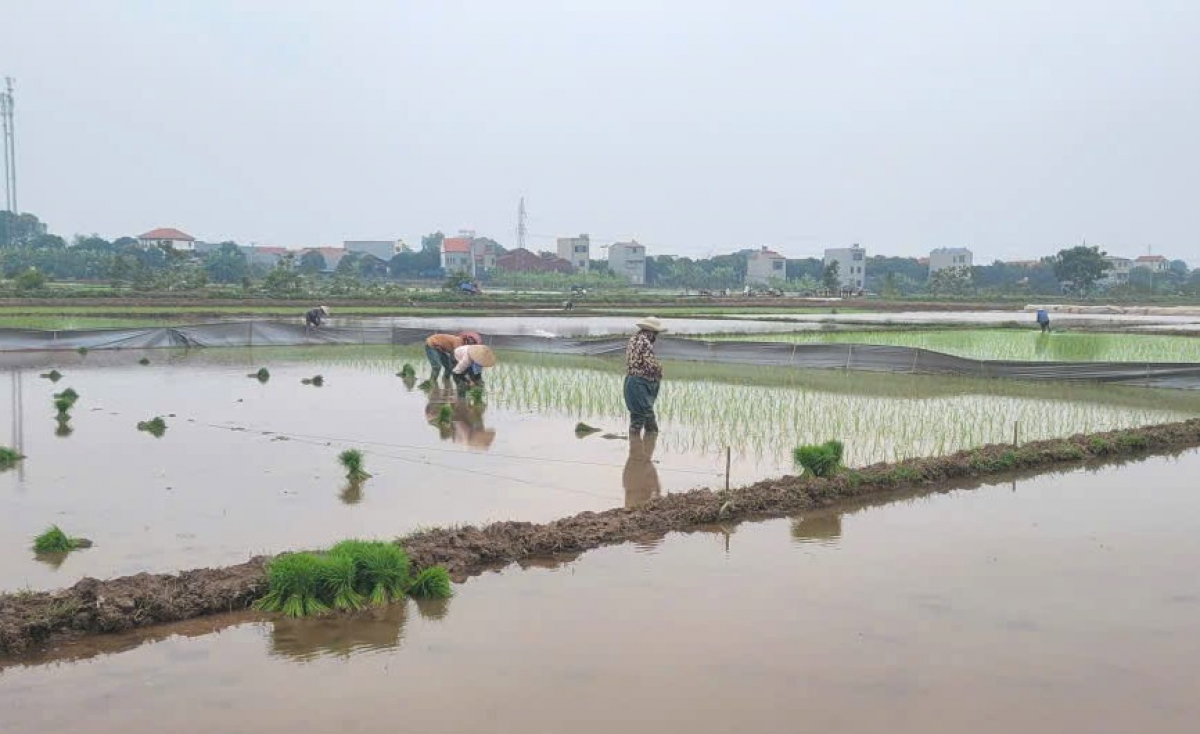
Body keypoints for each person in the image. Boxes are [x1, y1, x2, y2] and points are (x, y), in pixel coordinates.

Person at [625, 316, 666, 435]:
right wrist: (659, 370)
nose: (656, 337)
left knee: (637, 414)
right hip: (640, 383)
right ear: (652, 332)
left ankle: (636, 446)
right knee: (645, 414)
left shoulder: (633, 339)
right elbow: (649, 364)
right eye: (656, 334)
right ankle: (644, 445)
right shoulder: (645, 342)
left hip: (630, 380)